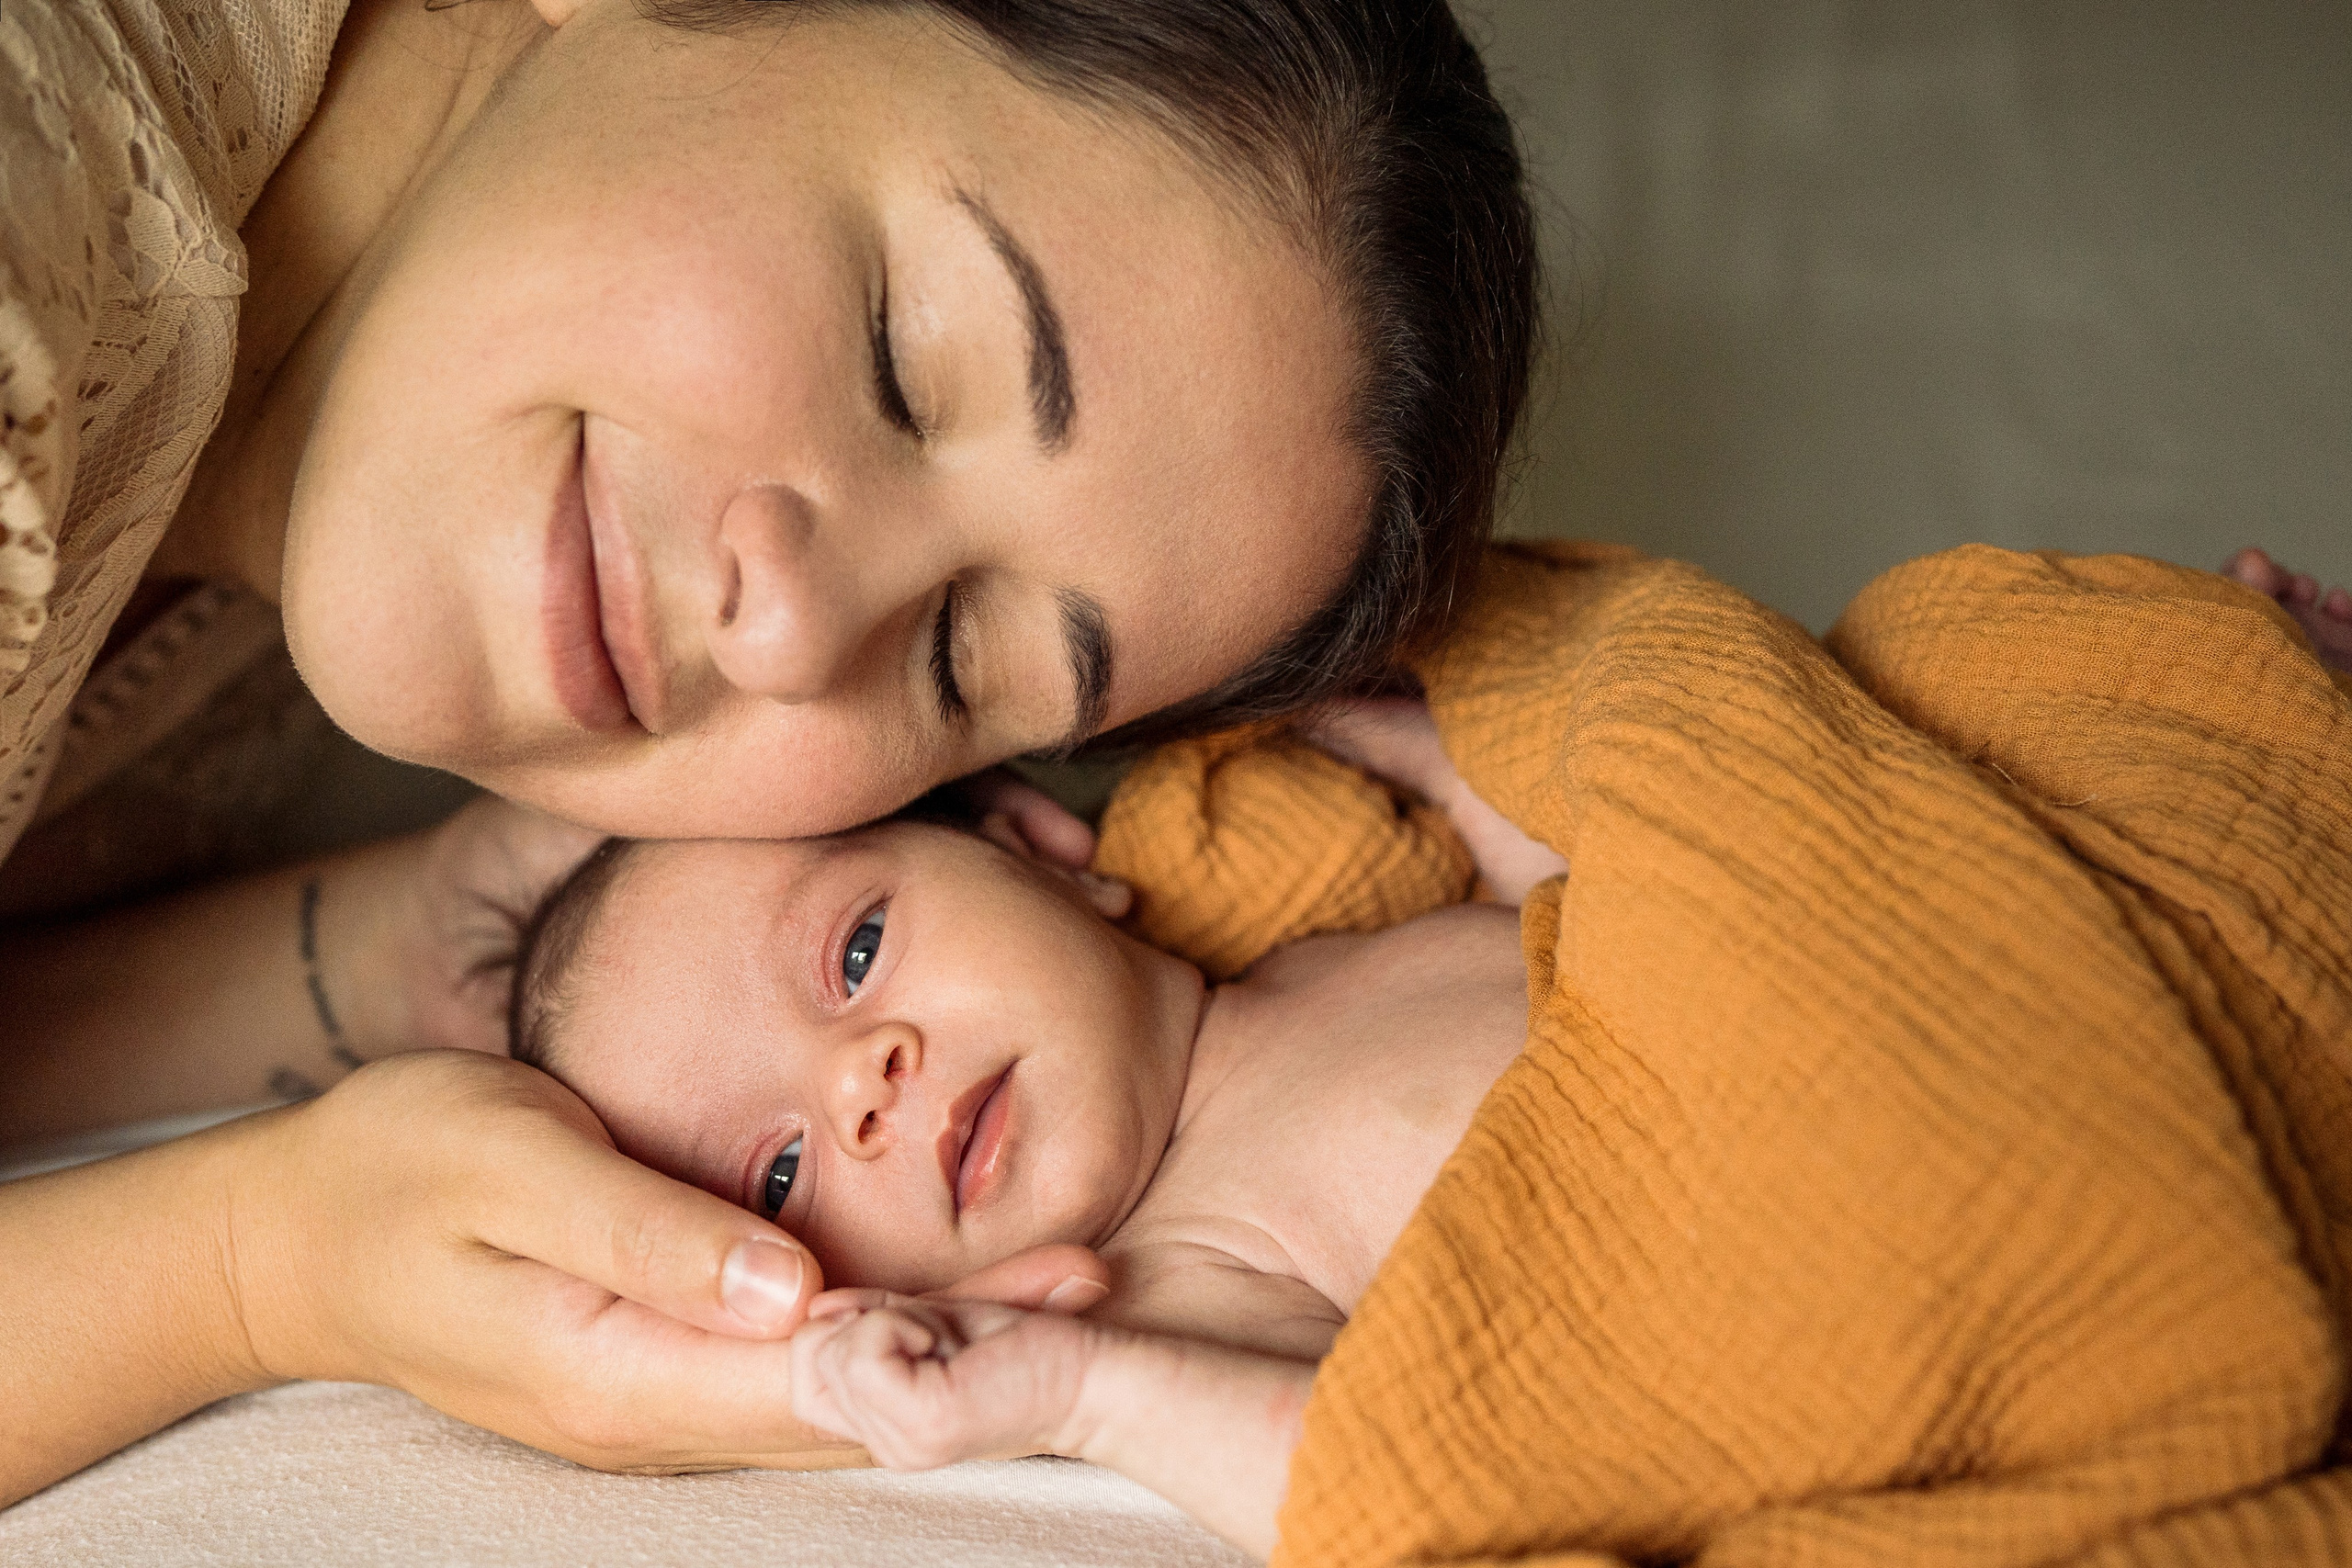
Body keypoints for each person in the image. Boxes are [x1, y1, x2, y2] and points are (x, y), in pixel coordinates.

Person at [0, 0, 1540, 1503]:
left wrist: (399, 941)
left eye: (953, 657)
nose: (791, 636)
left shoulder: (357, 542)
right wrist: (265, 1268)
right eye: (899, 364)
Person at [499, 699, 1556, 1558]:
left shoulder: (1358, 936)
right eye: (778, 1177)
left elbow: (1628, 881)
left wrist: (1445, 753)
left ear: (1037, 853)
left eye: (858, 952)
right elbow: (1369, 1489)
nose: (859, 1090)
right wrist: (1074, 1395)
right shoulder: (1184, 1280)